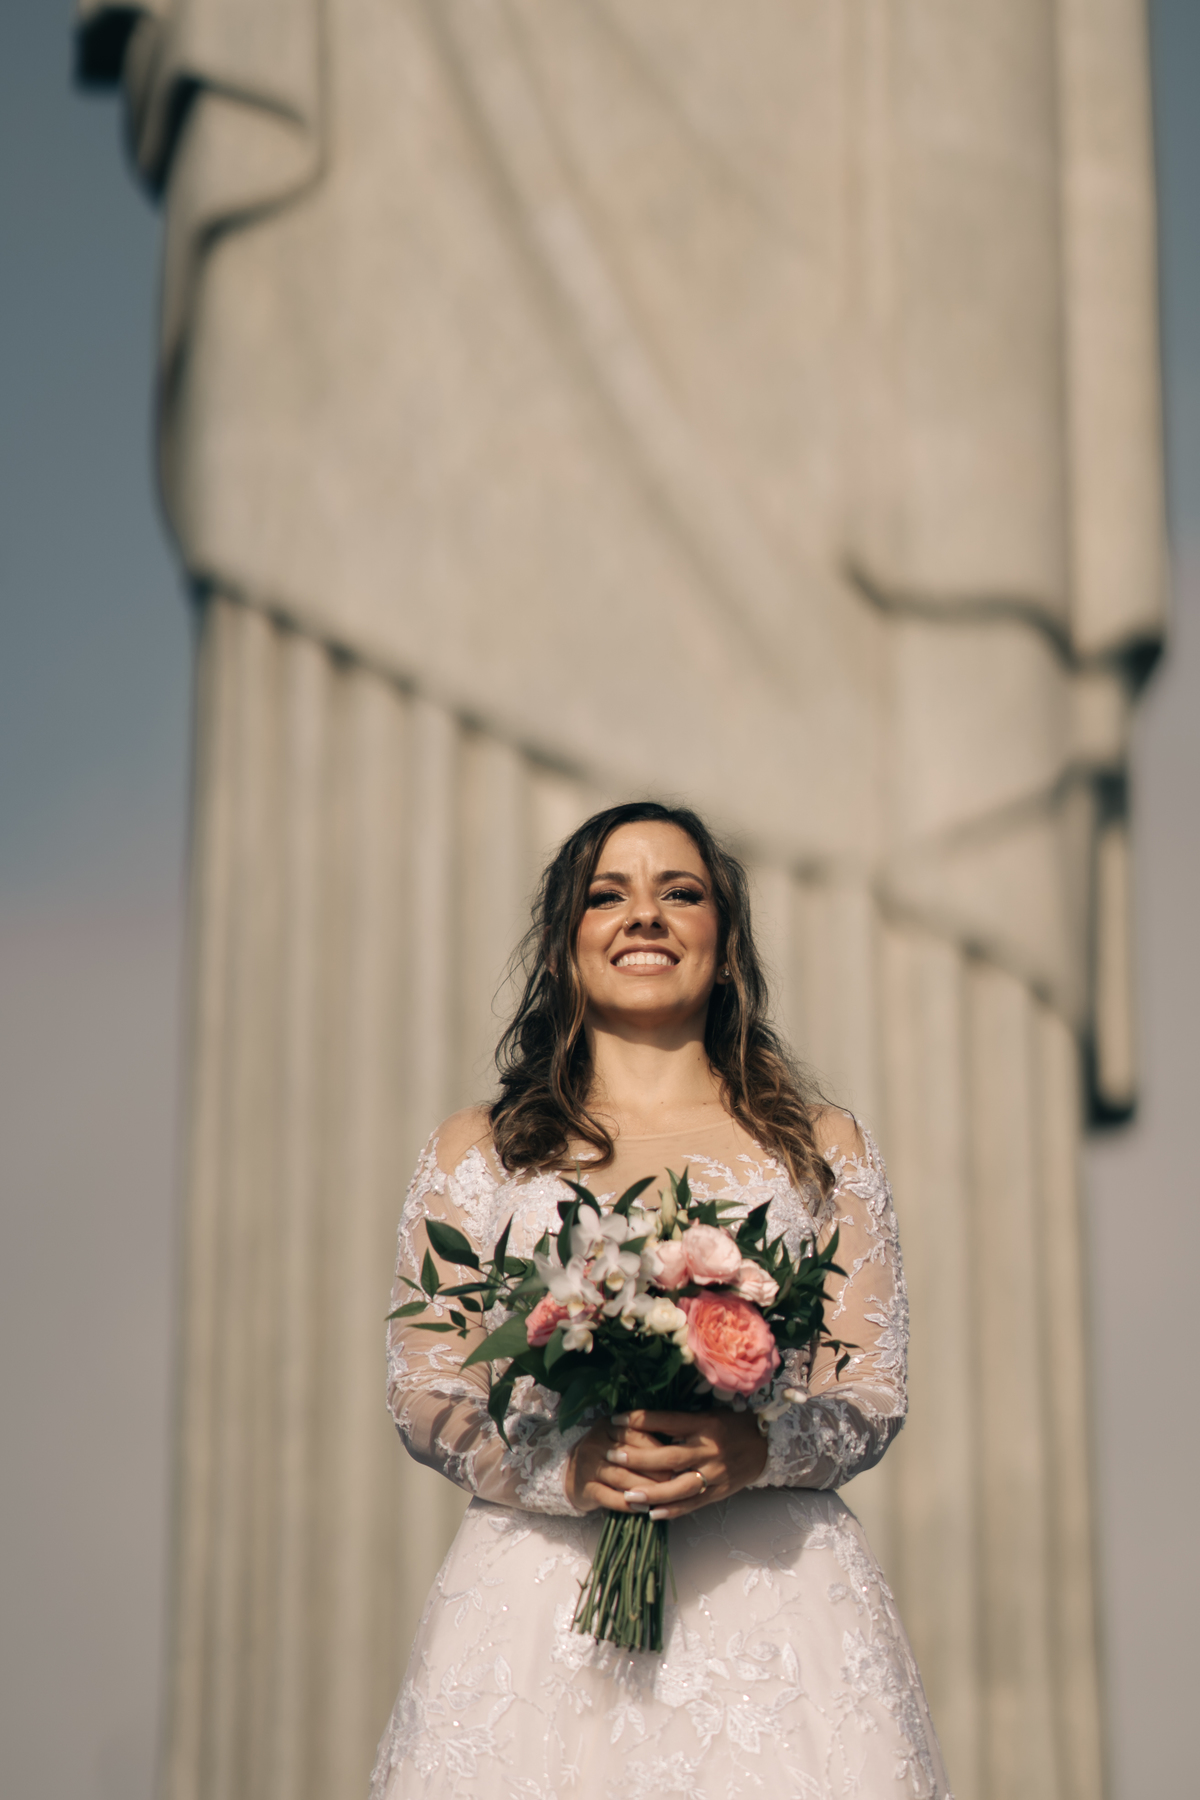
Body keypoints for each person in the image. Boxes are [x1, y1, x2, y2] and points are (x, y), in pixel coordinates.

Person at [370, 801, 951, 1799]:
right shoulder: (480, 1152)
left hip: (773, 1606)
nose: (644, 916)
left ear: (724, 949)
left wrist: (758, 1449)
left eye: (679, 893)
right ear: (561, 950)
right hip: (539, 1616)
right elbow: (427, 1388)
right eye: (608, 895)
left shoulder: (819, 1148)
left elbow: (872, 1388)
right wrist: (566, 1467)